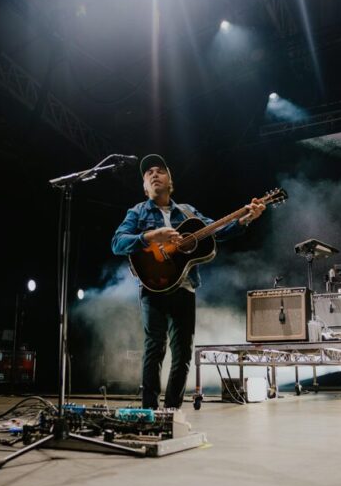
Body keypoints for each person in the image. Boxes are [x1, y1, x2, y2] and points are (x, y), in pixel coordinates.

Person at [111, 154, 265, 409]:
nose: (154, 174)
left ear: (170, 180)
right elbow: (117, 243)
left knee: (183, 354)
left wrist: (245, 218)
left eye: (160, 170)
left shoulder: (187, 212)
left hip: (184, 287)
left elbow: (217, 231)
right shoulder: (137, 212)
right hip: (152, 285)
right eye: (148, 173)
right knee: (154, 348)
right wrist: (151, 236)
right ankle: (149, 412)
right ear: (145, 186)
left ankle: (172, 411)